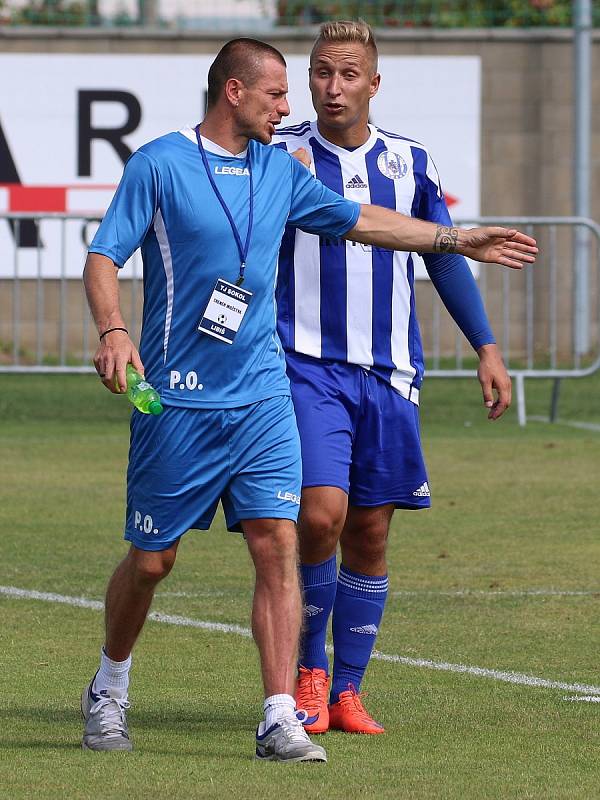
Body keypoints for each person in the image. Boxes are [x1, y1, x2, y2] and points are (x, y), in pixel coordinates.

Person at [81, 37, 536, 762]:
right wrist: (114, 329)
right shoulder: (160, 163)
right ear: (235, 93)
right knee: (151, 561)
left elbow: (364, 221)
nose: (291, 107)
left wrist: (457, 239)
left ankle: (280, 713)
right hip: (179, 399)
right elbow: (104, 254)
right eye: (278, 94)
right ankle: (109, 686)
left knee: (279, 543)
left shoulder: (279, 170)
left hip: (264, 393)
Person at [272, 20, 514, 735]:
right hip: (304, 363)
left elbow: (443, 257)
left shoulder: (411, 162)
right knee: (320, 513)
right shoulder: (281, 159)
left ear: (374, 84)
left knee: (371, 532)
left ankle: (347, 690)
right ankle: (308, 672)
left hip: (390, 372)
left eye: (348, 75)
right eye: (321, 72)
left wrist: (487, 347)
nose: (333, 87)